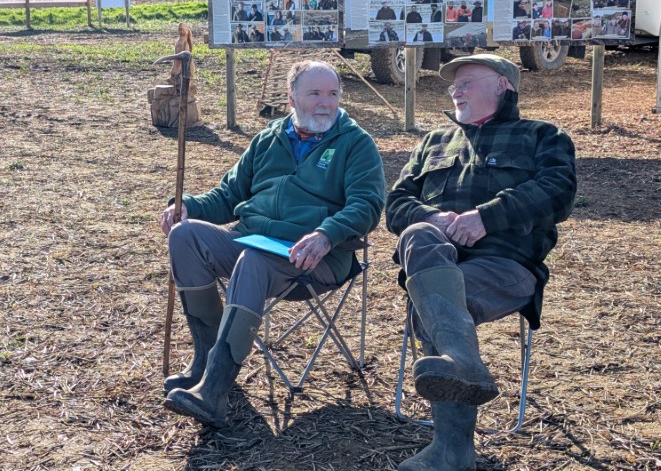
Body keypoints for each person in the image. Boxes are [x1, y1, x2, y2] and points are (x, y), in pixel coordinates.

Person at [160, 61, 386, 428]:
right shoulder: (268, 138)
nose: (325, 103)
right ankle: (205, 359)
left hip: (314, 258)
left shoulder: (356, 143)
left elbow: (368, 204)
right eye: (315, 94)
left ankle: (215, 389)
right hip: (252, 238)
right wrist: (186, 206)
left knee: (254, 259)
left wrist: (327, 233)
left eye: (333, 94)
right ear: (291, 97)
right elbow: (229, 195)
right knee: (185, 235)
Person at [385, 54, 576, 471]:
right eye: (453, 85)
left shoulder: (542, 136)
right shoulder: (433, 142)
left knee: (433, 303)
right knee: (419, 238)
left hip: (505, 265)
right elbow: (395, 206)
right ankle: (462, 363)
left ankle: (451, 452)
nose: (455, 89)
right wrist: (432, 217)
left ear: (503, 86)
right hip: (433, 259)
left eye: (467, 81)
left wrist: (486, 217)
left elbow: (558, 191)